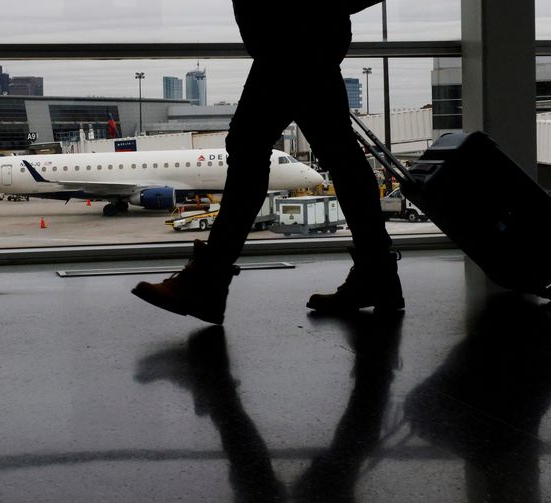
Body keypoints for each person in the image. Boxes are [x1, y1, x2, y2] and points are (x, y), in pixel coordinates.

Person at [132, 1, 404, 324]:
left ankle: (207, 282)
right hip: (299, 36)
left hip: (291, 40)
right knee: (337, 154)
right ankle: (377, 274)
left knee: (250, 148)